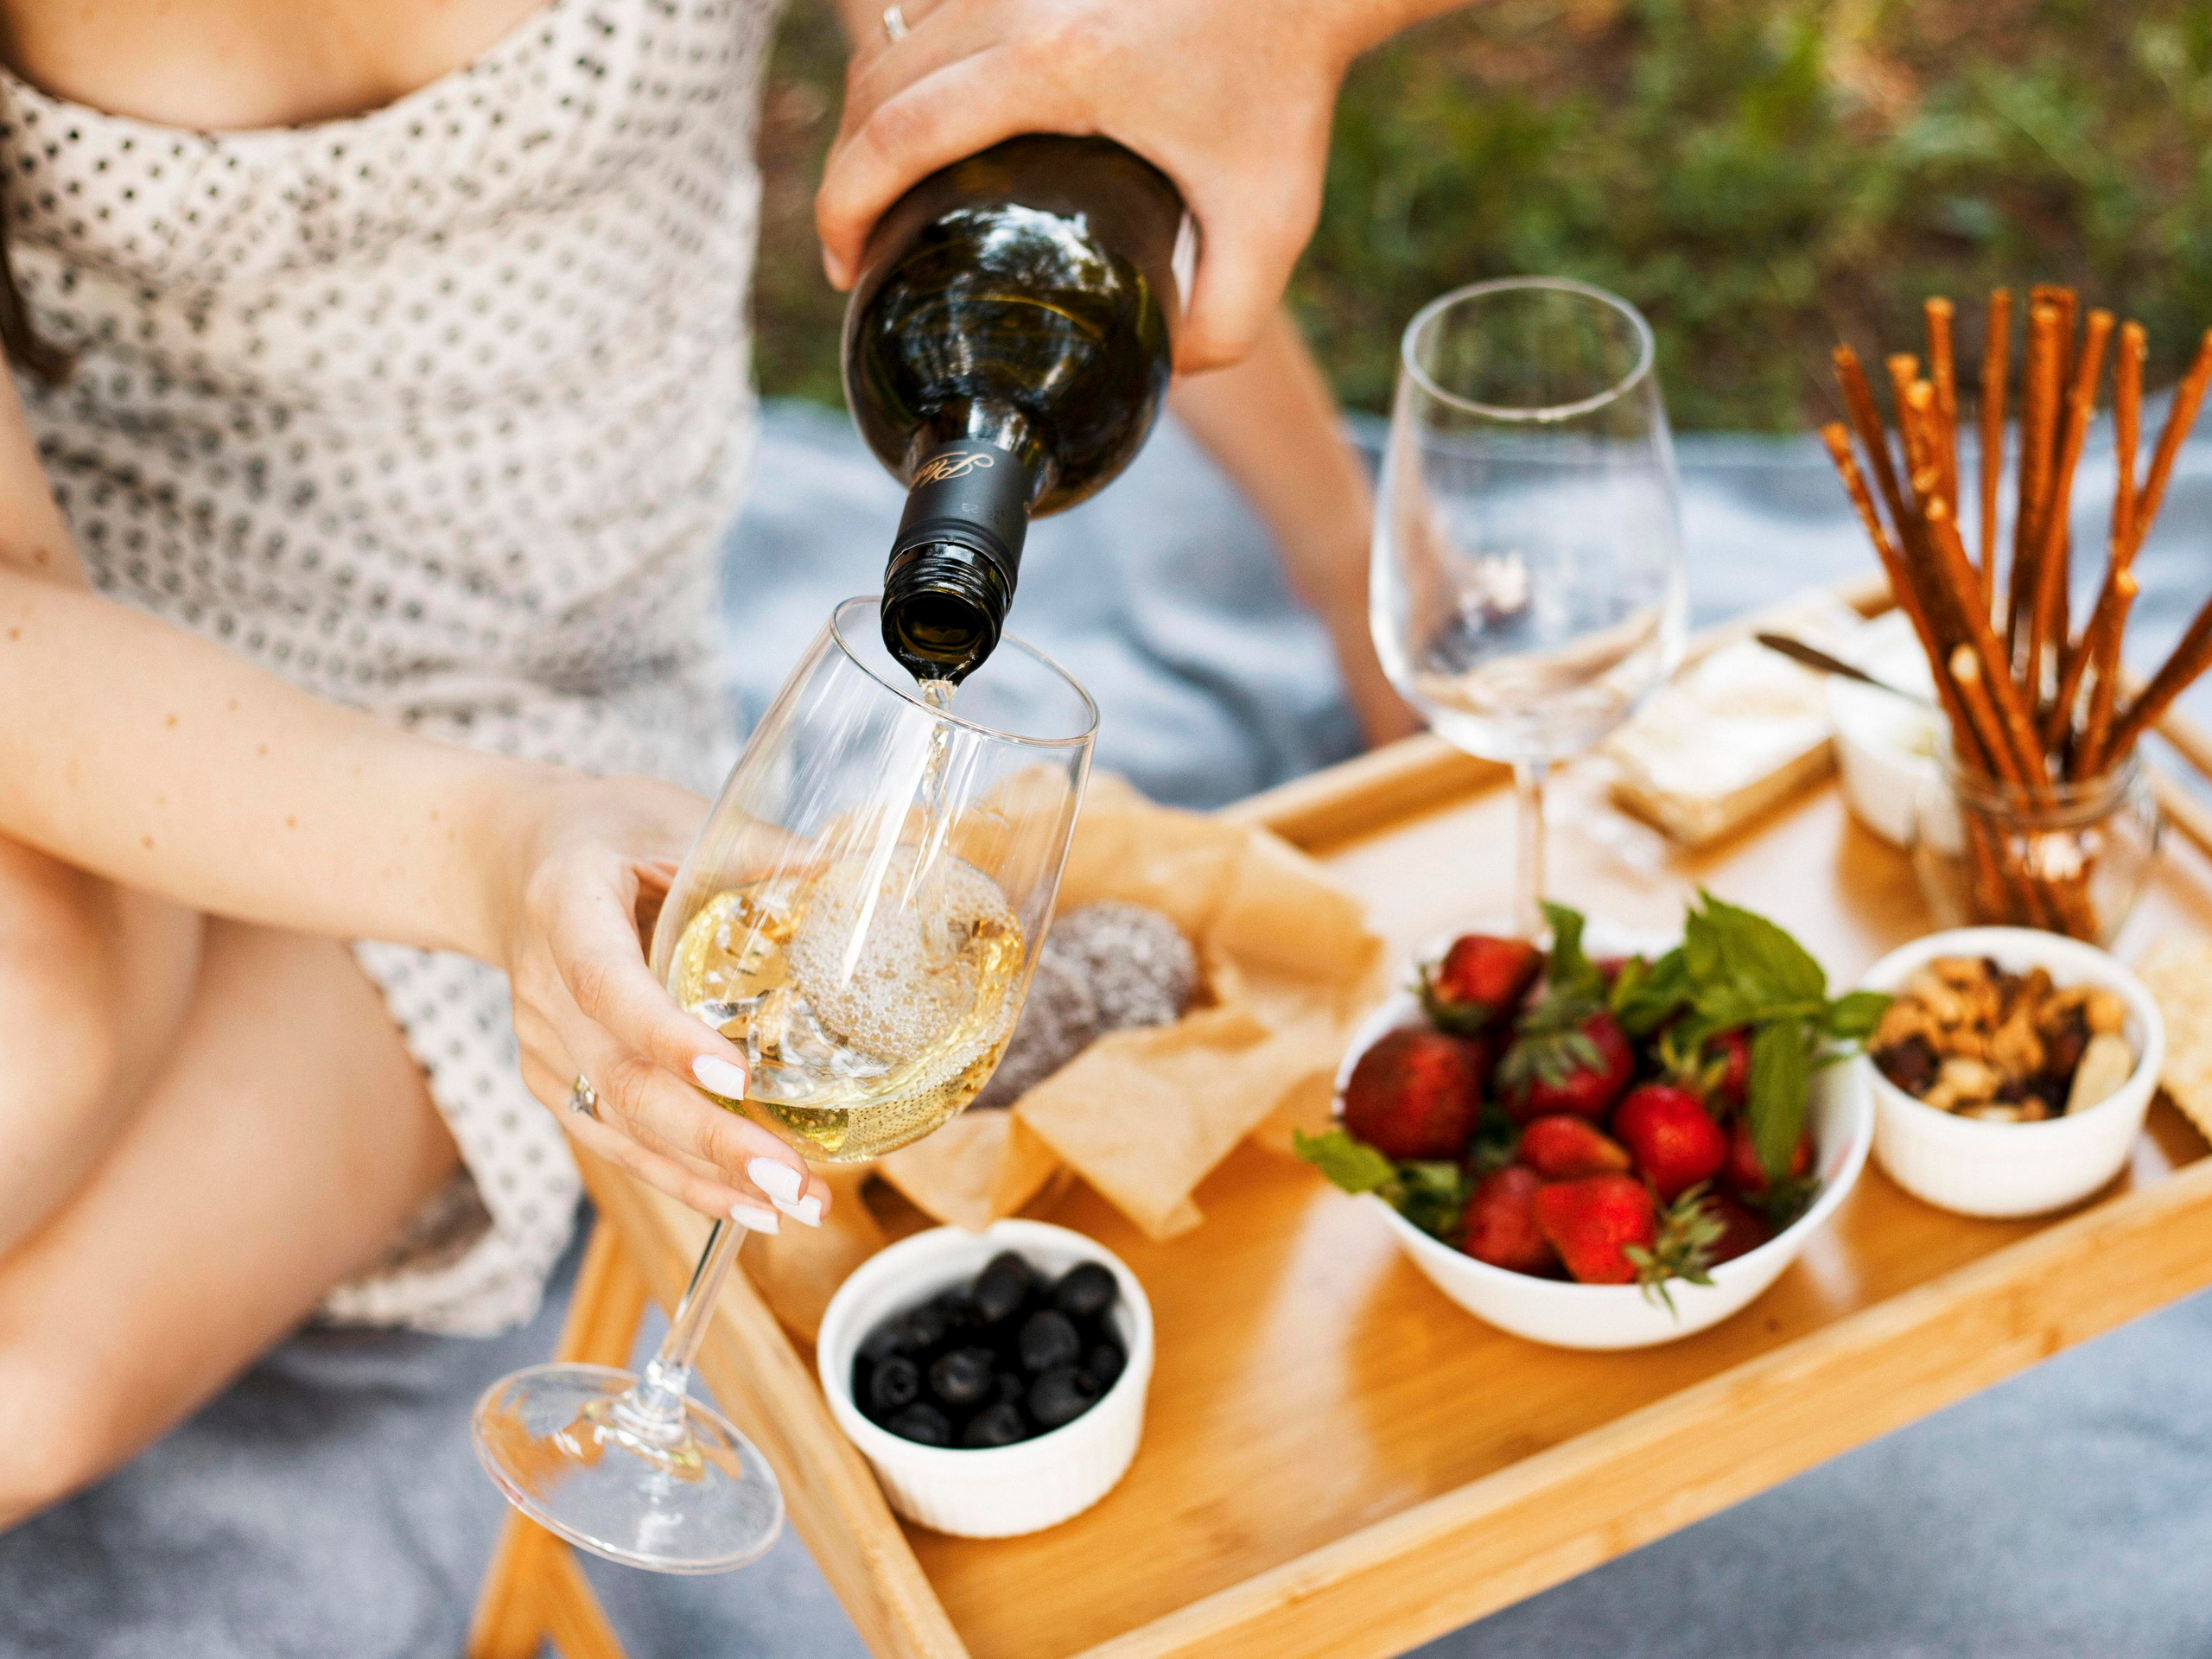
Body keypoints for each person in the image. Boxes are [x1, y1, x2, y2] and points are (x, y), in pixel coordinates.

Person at [0, 0, 1449, 1527]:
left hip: (530, 723)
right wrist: (492, 854)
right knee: (46, 1025)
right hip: (105, 658)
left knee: (29, 1398)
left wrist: (1343, 548)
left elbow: (1082, 98)